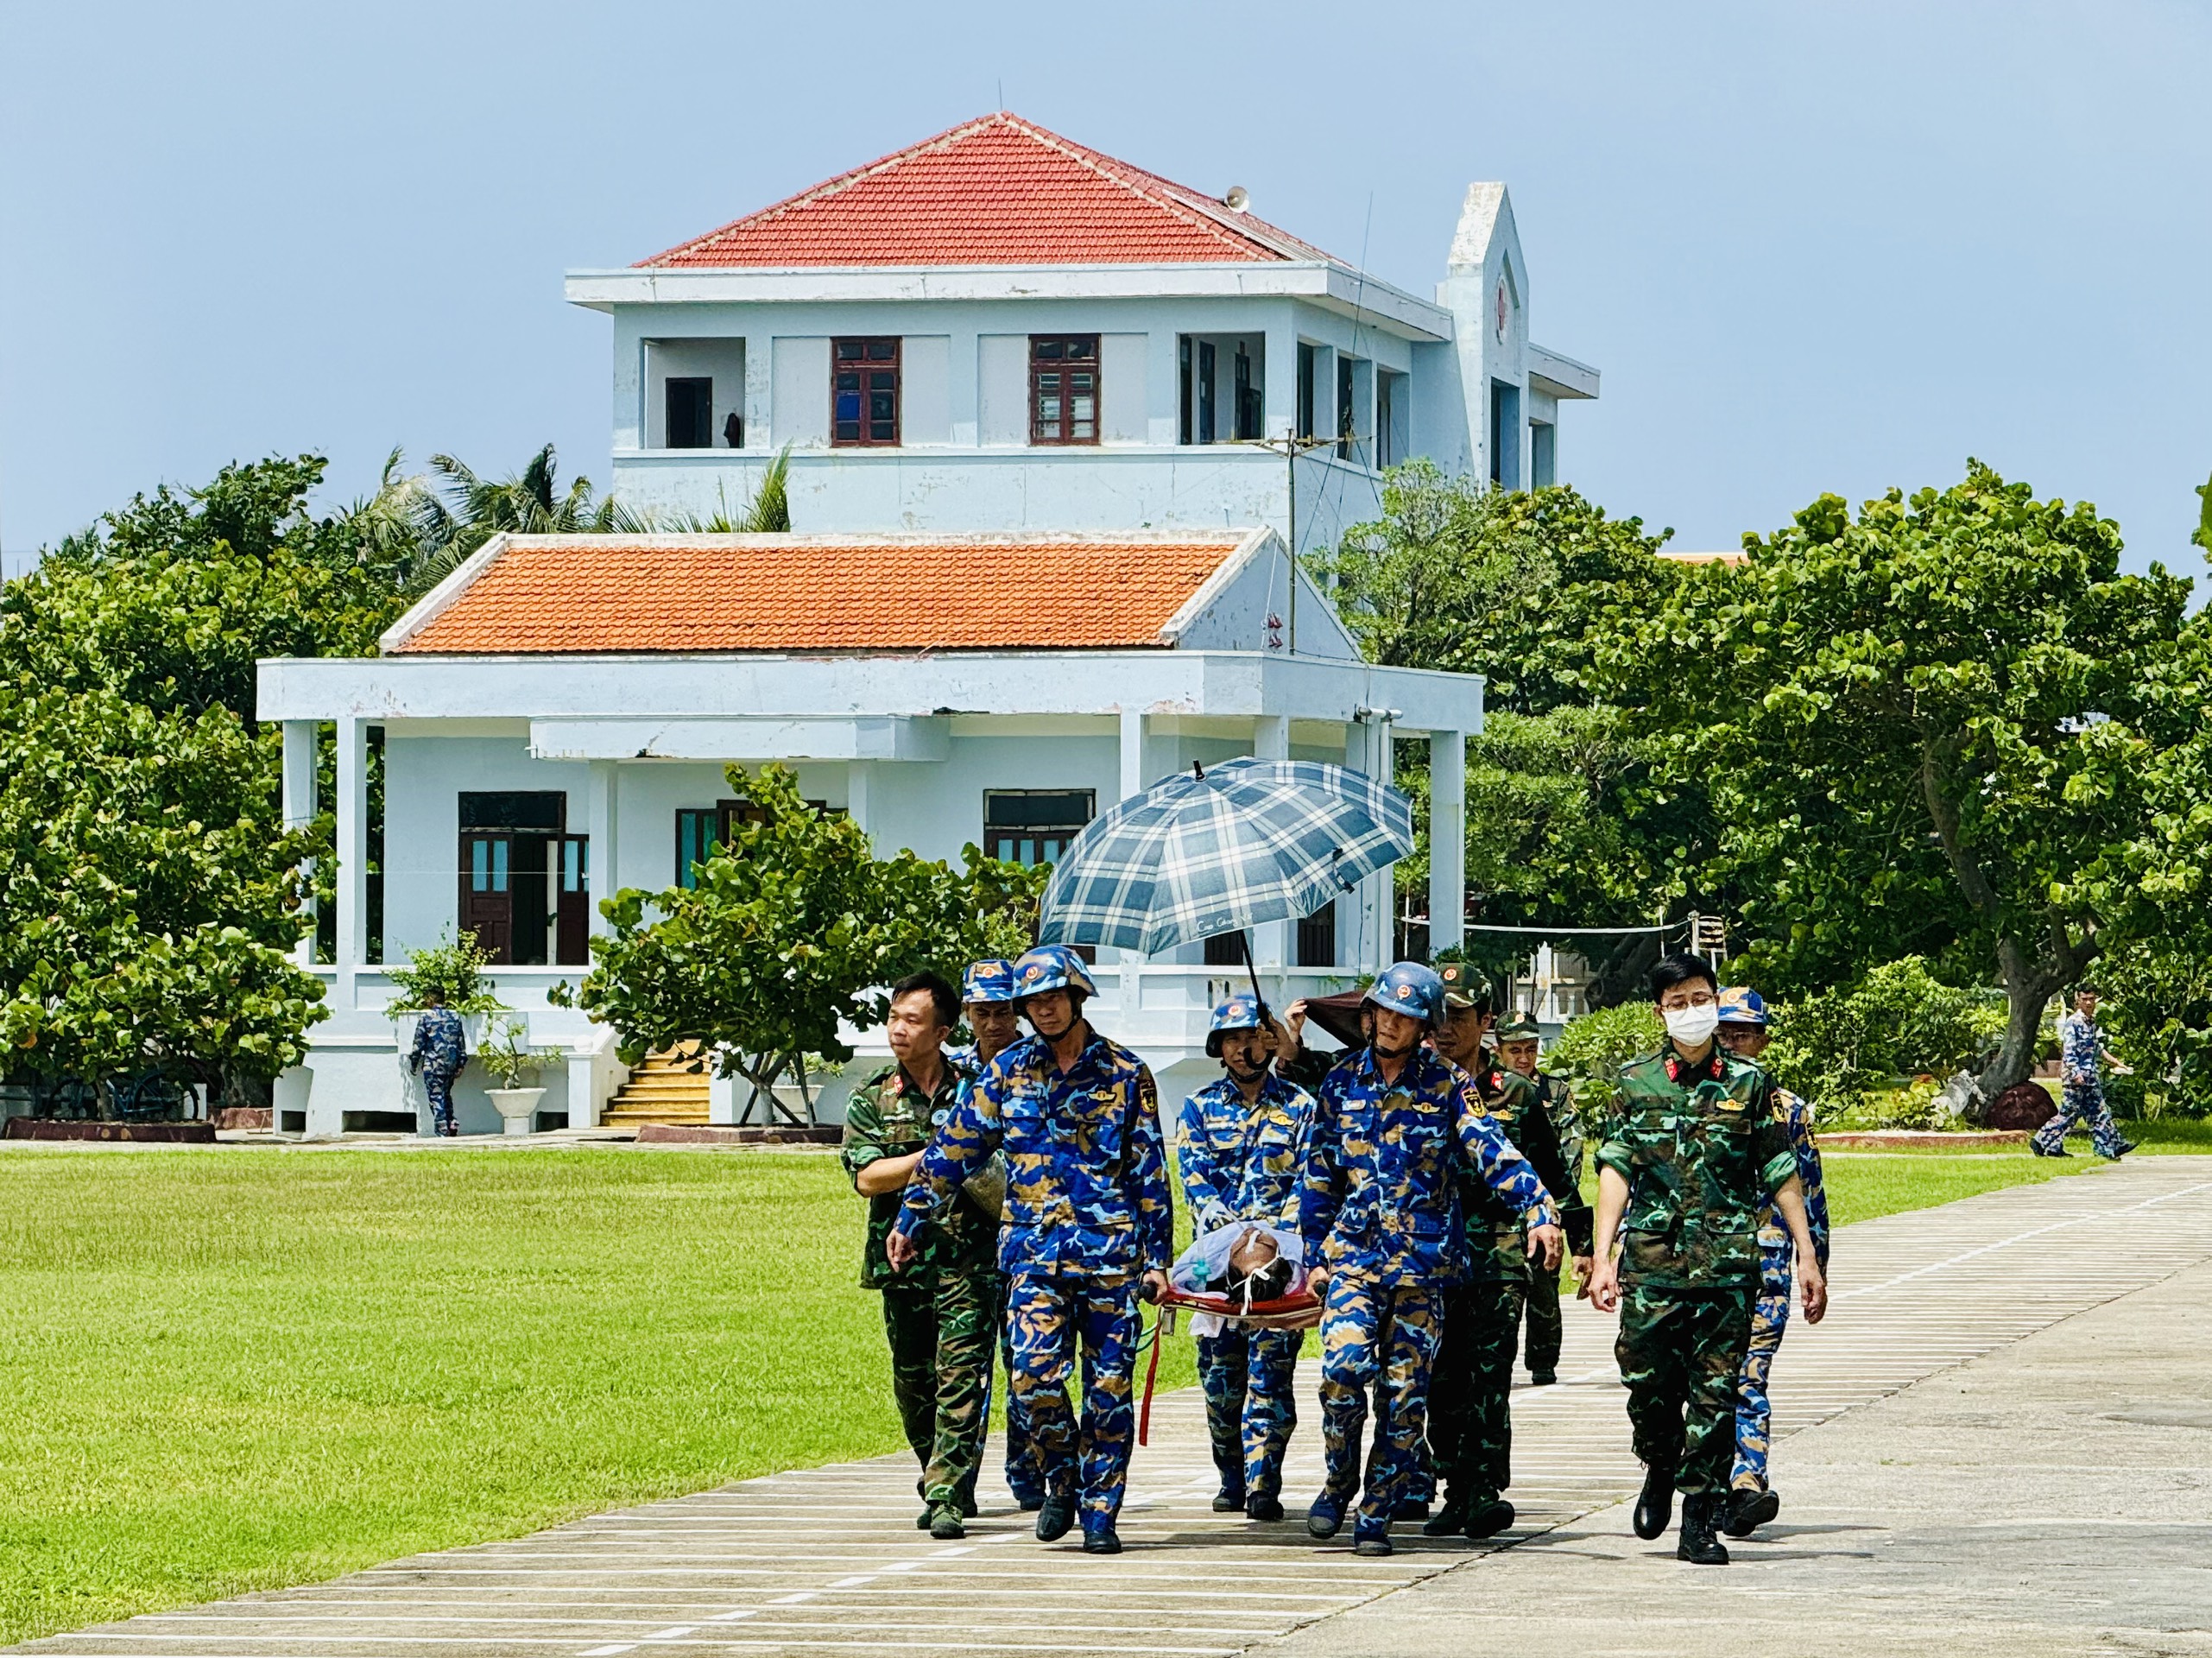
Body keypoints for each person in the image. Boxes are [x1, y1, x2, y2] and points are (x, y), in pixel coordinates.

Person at [889, 945, 1172, 1556]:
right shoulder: (1008, 1071)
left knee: (1109, 1391)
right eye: (1032, 1002)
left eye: (1052, 998)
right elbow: (956, 1146)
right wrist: (913, 1214)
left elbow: (1149, 1169)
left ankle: (1101, 1511)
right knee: (1033, 1380)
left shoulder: (1126, 1073)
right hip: (1035, 1256)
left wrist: (1157, 1259)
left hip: (1109, 1258)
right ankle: (1063, 1475)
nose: (1043, 1011)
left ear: (1077, 997)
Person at [1298, 962, 1564, 1558]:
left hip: (1422, 1270)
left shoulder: (1447, 1084)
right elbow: (1319, 1175)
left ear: (1424, 1025)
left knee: (1404, 1397)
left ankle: (1376, 1511)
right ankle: (1339, 1479)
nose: (1390, 1024)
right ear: (1369, 1017)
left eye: (1405, 1016)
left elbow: (1493, 1150)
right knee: (1341, 1374)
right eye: (1383, 1013)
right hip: (1355, 1261)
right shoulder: (1340, 1083)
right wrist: (1314, 1253)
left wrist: (1538, 1209)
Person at [1587, 953, 1829, 1566]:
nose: (1691, 1012)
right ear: (1660, 1012)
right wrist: (1602, 1254)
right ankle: (1659, 1461)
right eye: (1678, 1003)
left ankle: (1699, 1522)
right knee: (1648, 1388)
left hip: (1727, 1267)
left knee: (1717, 1396)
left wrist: (1807, 1254)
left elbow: (1781, 1172)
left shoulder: (1751, 1085)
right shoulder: (1634, 1083)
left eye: (1700, 999)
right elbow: (1616, 1169)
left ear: (1715, 1003)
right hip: (1654, 1264)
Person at [1420, 967, 1593, 1541]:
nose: (1445, 1030)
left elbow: (1551, 1171)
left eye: (1459, 1018)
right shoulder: (1419, 1088)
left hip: (1497, 1254)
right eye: (1438, 1017)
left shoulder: (1514, 1093)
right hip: (1431, 1258)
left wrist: (1583, 1243)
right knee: (1441, 1380)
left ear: (1485, 1024)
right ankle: (1454, 1486)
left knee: (1489, 1377)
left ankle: (1485, 1491)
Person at [840, 971, 998, 1541]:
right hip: (903, 1263)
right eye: (894, 1019)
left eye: (912, 1020)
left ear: (943, 1030)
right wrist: (938, 1156)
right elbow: (867, 1178)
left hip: (969, 1260)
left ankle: (946, 1492)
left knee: (961, 1376)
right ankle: (940, 1470)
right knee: (913, 1381)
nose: (898, 1031)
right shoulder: (873, 1095)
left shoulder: (979, 1091)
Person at [1173, 994, 1318, 1522]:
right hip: (1219, 1266)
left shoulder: (1302, 1107)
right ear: (1219, 1048)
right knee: (1220, 1384)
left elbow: (1311, 1181)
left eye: (1253, 1035)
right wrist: (1233, 1239)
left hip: (1280, 1264)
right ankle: (1231, 1476)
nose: (1243, 1047)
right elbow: (1194, 1180)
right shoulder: (1198, 1106)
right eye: (1232, 1039)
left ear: (1269, 1040)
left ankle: (1264, 1483)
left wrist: (1273, 1240)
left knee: (1272, 1379)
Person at [1712, 986, 1831, 1537]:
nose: (1733, 1042)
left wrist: (1816, 1262)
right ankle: (1693, 1479)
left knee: (1749, 1375)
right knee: (1699, 1381)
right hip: (1700, 1265)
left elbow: (1809, 1191)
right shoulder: (1689, 1098)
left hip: (1768, 1262)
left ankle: (1746, 1484)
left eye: (1743, 1033)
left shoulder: (1789, 1110)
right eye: (1725, 1032)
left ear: (1762, 1040)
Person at [948, 957, 1046, 1512]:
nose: (995, 1022)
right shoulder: (957, 1074)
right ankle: (959, 1480)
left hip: (1029, 1234)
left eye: (1004, 1010)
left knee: (1026, 1360)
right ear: (967, 1014)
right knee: (965, 1363)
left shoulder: (1039, 1066)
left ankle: (1026, 1470)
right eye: (983, 1011)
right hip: (965, 1239)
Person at [1495, 1010, 1581, 1385]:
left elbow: (1569, 1152)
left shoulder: (1555, 1092)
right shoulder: (1487, 1090)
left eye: (1531, 1049)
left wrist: (1557, 1209)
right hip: (1501, 1210)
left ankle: (1544, 1362)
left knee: (1544, 1288)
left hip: (1545, 1208)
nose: (1524, 1058)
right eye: (1515, 1049)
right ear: (1499, 1050)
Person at [2032, 985, 2136, 1161]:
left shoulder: (2091, 1023)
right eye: (2085, 999)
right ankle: (2042, 1141)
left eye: (2092, 999)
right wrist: (2075, 1073)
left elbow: (2096, 1048)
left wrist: (2115, 1061)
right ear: (2078, 1000)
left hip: (2090, 1076)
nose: (2088, 1003)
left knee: (2100, 1112)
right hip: (2076, 1079)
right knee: (2069, 1114)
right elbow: (2069, 1051)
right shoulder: (2074, 1022)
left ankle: (2109, 1147)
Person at [408, 987, 467, 1137]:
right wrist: (461, 1064)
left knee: (436, 1098)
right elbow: (461, 1043)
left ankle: (443, 1131)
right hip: (451, 1065)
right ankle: (452, 1122)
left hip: (433, 1065)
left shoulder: (426, 1018)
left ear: (431, 999)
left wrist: (413, 1064)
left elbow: (418, 1045)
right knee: (446, 1095)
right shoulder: (454, 1017)